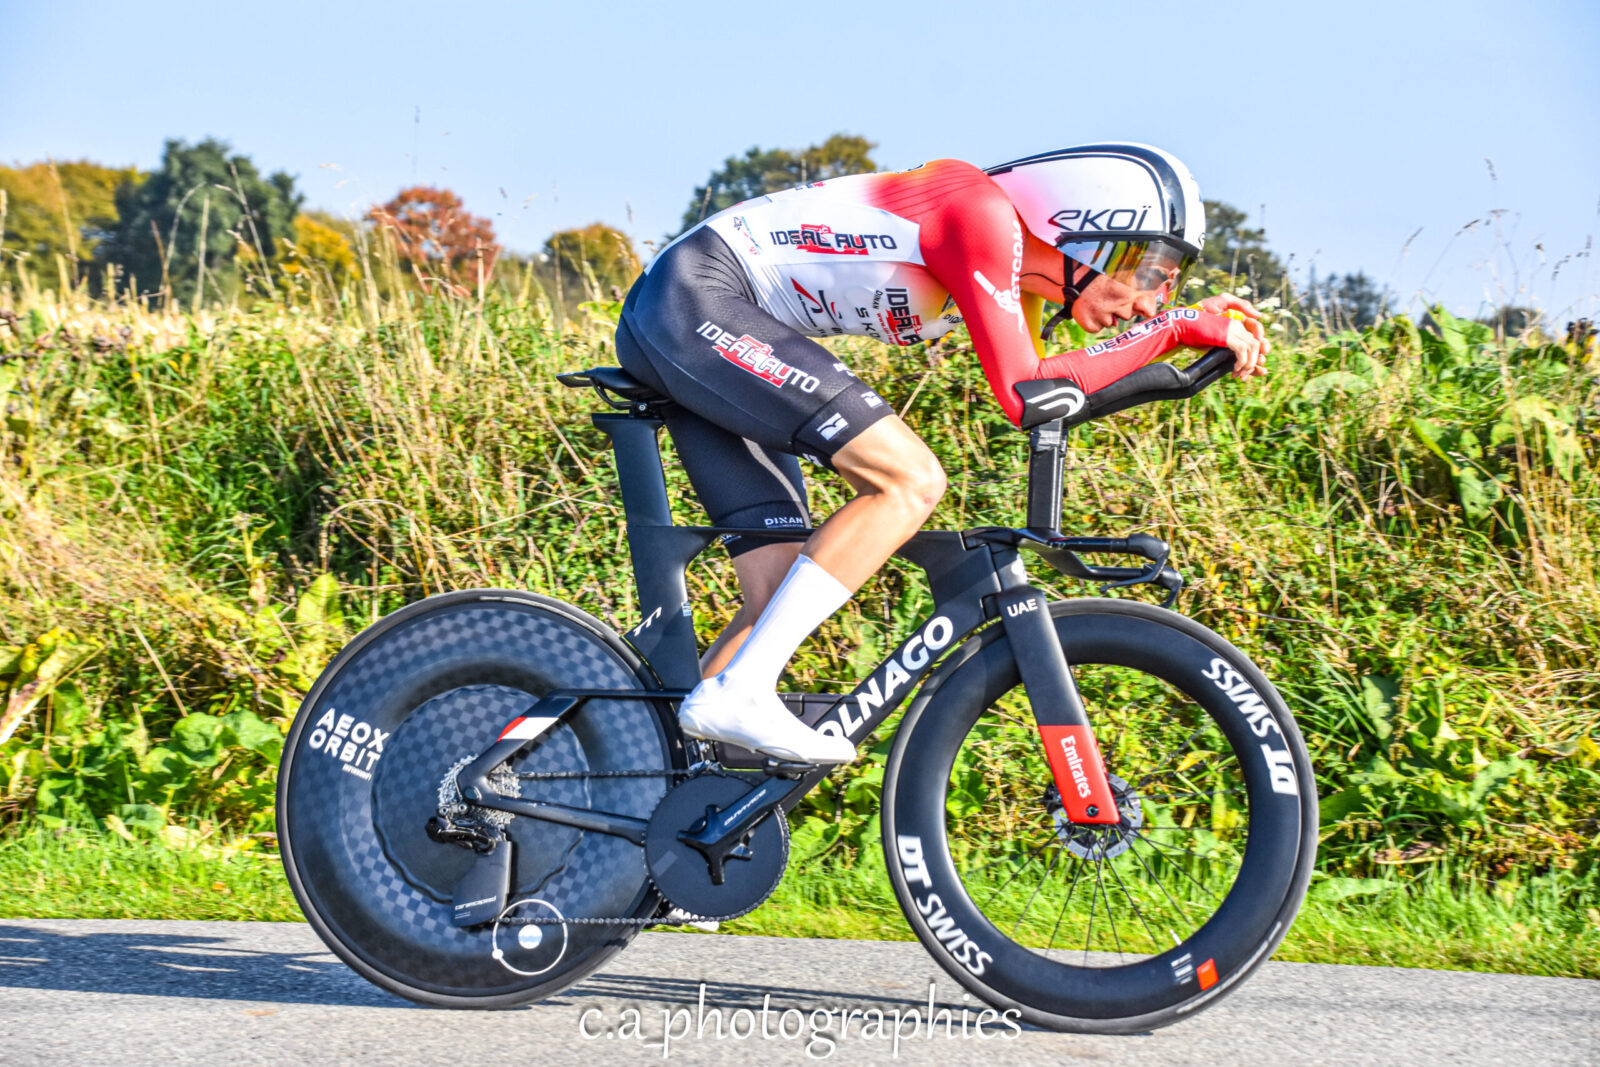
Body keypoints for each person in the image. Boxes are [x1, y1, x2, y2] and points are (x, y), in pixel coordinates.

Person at [614, 143, 1269, 764]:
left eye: (1168, 285)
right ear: (1085, 230)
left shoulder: (1019, 278)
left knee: (778, 587)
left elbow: (1041, 396)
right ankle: (742, 691)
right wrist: (1177, 326)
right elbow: (1025, 389)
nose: (1152, 301)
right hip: (696, 297)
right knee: (908, 480)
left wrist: (1182, 348)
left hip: (698, 319)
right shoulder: (981, 214)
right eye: (1150, 273)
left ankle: (653, 783)